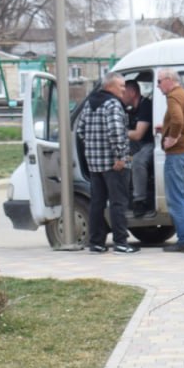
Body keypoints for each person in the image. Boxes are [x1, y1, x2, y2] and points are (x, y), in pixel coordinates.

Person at [75, 72, 138, 254]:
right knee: (118, 203)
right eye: (121, 86)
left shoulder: (90, 103)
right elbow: (116, 132)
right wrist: (120, 157)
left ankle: (96, 243)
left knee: (97, 204)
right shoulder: (112, 104)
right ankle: (121, 243)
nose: (124, 90)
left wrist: (93, 150)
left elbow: (80, 131)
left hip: (95, 165)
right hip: (114, 165)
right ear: (110, 86)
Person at [155, 68, 184, 252]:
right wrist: (165, 128)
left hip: (177, 155)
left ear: (169, 80)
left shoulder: (173, 97)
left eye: (159, 81)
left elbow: (178, 120)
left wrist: (172, 138)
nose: (158, 86)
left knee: (176, 199)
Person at [124, 79, 155, 218]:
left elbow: (137, 134)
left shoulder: (145, 106)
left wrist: (118, 132)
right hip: (138, 144)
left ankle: (139, 201)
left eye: (123, 92)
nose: (121, 95)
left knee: (138, 161)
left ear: (132, 92)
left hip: (150, 143)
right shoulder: (131, 109)